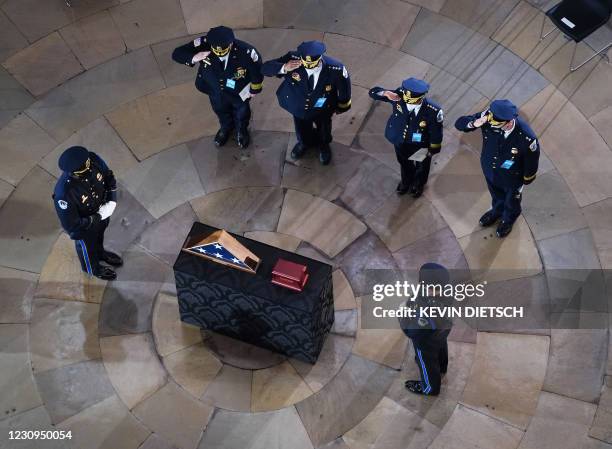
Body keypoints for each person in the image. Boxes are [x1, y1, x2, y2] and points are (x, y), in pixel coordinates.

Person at [455, 99, 539, 238]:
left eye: (498, 125)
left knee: (512, 201)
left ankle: (508, 219)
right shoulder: (488, 116)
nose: (492, 125)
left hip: (512, 177)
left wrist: (527, 179)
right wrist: (474, 123)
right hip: (490, 169)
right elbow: (459, 123)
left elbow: (531, 160)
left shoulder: (526, 137)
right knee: (496, 195)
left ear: (509, 122)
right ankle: (496, 211)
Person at [172, 25, 263, 149]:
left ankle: (241, 131)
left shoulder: (245, 51)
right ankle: (225, 128)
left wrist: (255, 88)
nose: (220, 54)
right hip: (214, 90)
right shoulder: (204, 43)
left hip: (238, 91)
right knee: (220, 111)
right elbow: (177, 53)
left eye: (223, 51)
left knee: (242, 113)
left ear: (230, 44)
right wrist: (194, 57)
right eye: (216, 50)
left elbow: (256, 70)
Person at [262, 40, 352, 165]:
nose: (308, 65)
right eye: (306, 62)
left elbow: (344, 89)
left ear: (320, 58)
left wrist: (342, 106)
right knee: (301, 129)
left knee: (324, 129)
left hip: (323, 107)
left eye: (312, 63)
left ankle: (324, 146)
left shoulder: (335, 68)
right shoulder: (292, 58)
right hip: (299, 106)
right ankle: (303, 144)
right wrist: (283, 67)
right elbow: (265, 68)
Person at [52, 146, 123, 280]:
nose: (89, 168)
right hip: (85, 225)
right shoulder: (64, 193)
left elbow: (108, 177)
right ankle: (92, 268)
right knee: (87, 246)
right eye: (85, 168)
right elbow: (71, 225)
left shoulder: (93, 159)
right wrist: (96, 218)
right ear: (75, 172)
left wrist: (111, 201)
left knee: (100, 235)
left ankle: (100, 253)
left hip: (102, 210)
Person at [369, 78, 443, 197]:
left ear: (420, 98)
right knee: (404, 163)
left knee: (422, 166)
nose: (406, 102)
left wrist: (434, 148)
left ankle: (418, 184)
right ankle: (406, 181)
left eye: (411, 101)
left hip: (420, 144)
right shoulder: (398, 96)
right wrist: (386, 93)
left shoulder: (433, 111)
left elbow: (436, 132)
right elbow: (373, 92)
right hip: (400, 140)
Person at [400, 263, 453, 396]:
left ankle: (429, 388)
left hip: (425, 341)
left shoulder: (425, 310)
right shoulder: (449, 291)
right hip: (442, 331)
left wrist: (402, 316)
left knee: (425, 362)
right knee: (441, 347)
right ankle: (442, 366)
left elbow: (412, 332)